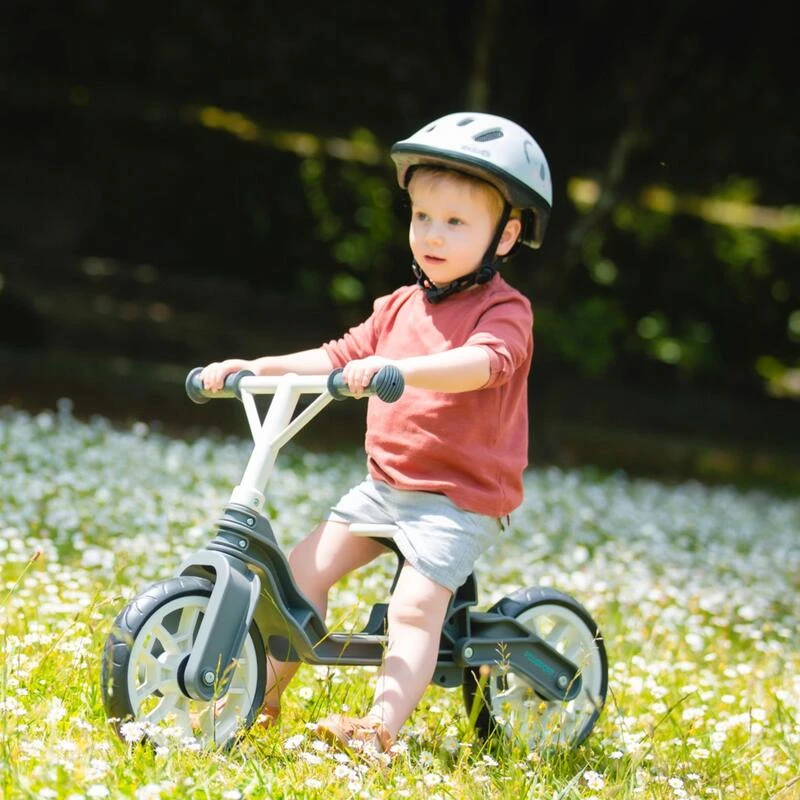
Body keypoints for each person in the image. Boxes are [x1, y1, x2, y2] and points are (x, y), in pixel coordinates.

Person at [200, 111, 552, 756]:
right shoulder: (397, 306)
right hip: (385, 488)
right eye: (422, 216)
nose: (432, 234)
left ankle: (379, 731)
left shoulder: (505, 311)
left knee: (415, 608)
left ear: (505, 237)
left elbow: (485, 364)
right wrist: (256, 367)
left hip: (458, 499)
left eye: (456, 222)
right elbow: (335, 356)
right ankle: (260, 698)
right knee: (299, 574)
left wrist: (401, 370)